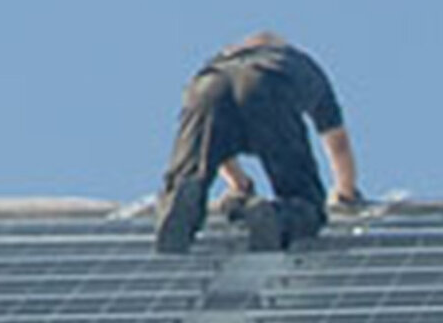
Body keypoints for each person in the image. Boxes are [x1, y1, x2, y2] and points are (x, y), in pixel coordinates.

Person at [154, 32, 362, 253]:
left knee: (188, 175)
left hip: (208, 85)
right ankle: (277, 217)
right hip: (268, 85)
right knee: (304, 201)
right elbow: (337, 142)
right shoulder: (301, 64)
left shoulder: (223, 58)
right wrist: (345, 190)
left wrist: (239, 183)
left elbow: (211, 144)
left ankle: (177, 207)